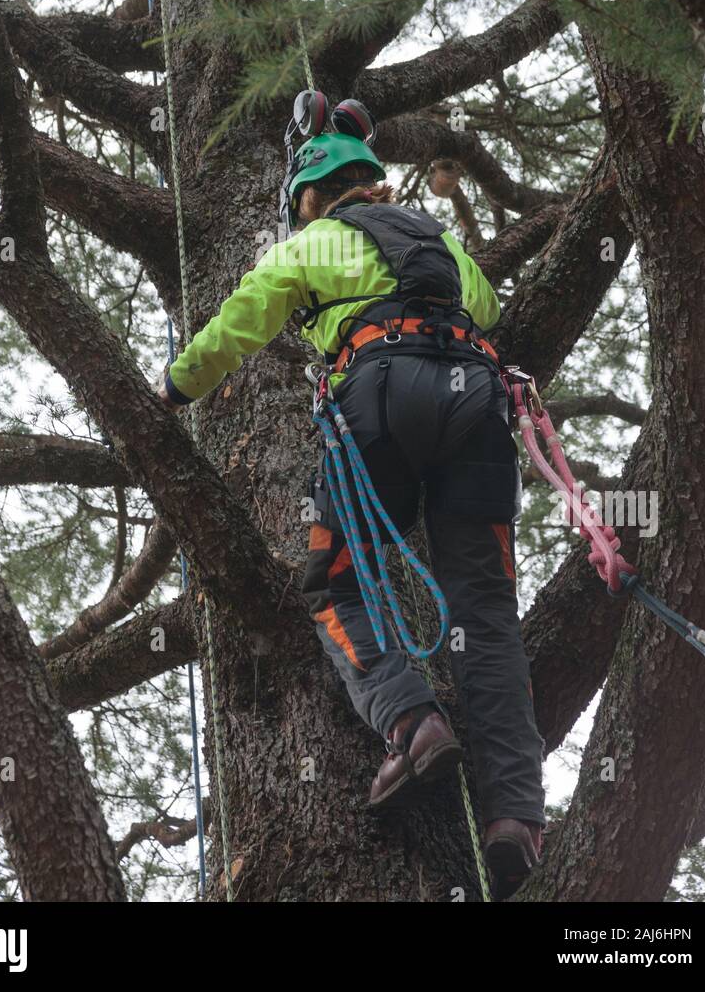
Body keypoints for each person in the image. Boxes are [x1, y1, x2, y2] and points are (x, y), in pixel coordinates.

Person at [158, 124, 545, 898]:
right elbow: (490, 308)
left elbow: (246, 316)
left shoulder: (316, 241)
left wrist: (174, 388)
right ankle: (515, 818)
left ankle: (411, 721)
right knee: (488, 613)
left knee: (338, 581)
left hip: (378, 392)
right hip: (476, 399)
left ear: (308, 198)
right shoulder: (443, 243)